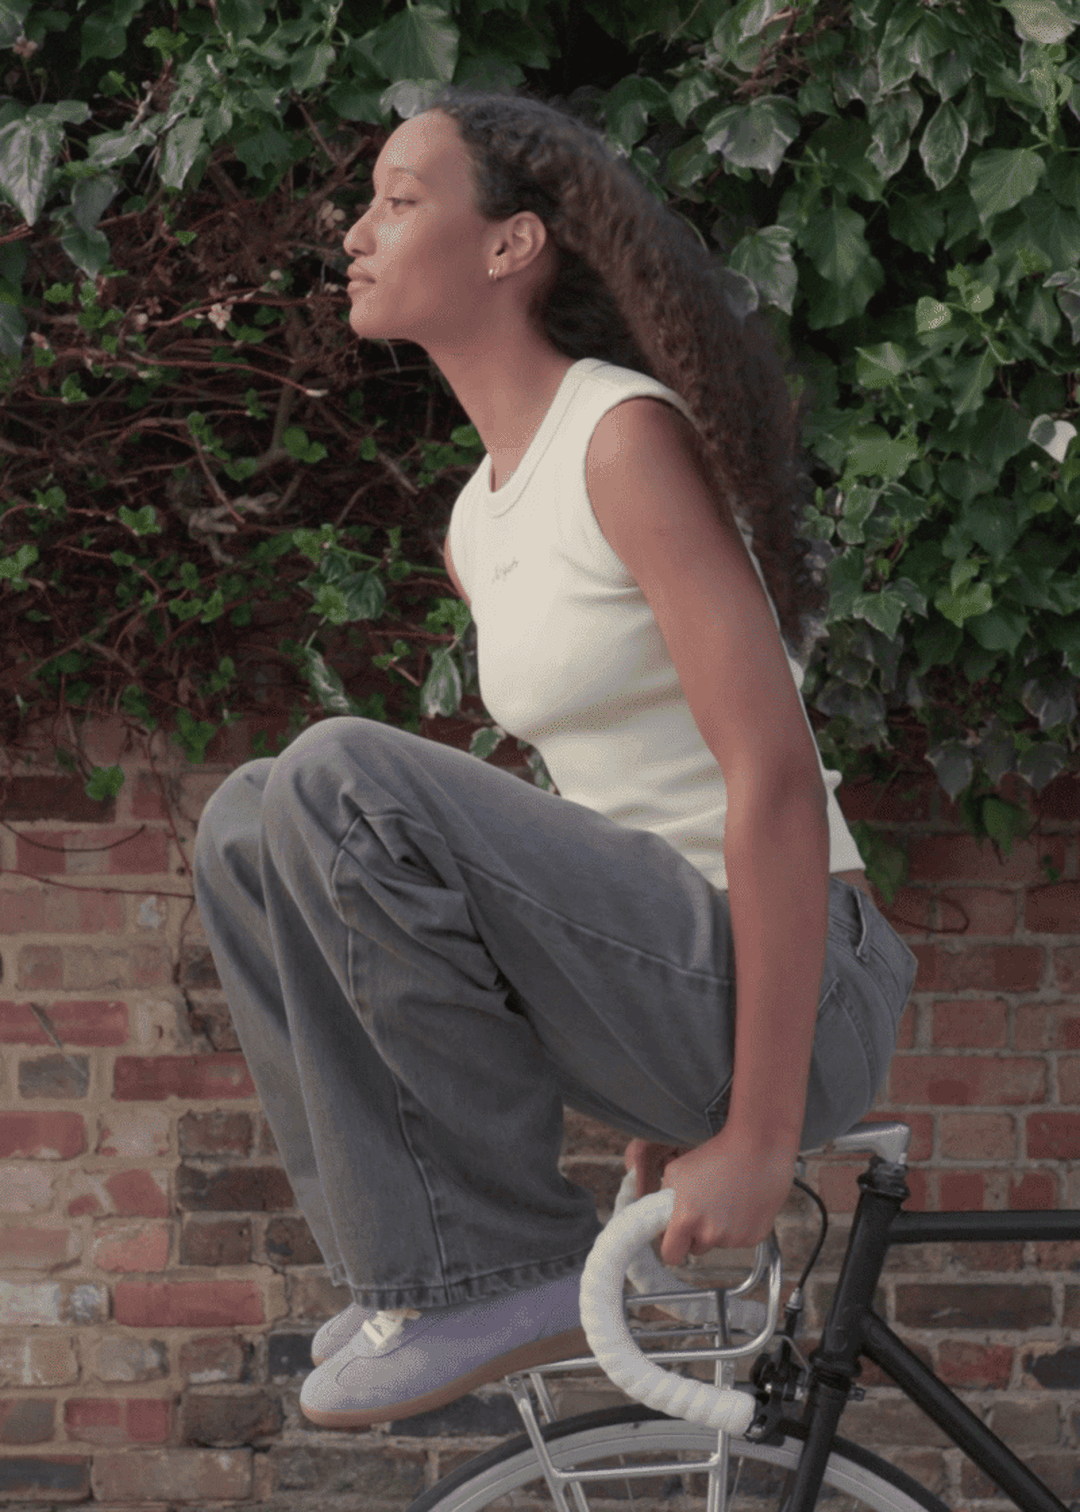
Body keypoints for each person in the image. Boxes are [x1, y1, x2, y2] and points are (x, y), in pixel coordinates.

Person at [191, 86, 918, 1433]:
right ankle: (419, 1272)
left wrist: (757, 1132)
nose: (358, 230)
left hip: (804, 992)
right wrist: (653, 1092)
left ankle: (491, 1268)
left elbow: (764, 776)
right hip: (678, 988)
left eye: (402, 200)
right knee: (245, 820)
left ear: (512, 245)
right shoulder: (479, 517)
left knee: (341, 772)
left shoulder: (622, 438)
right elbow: (605, 816)